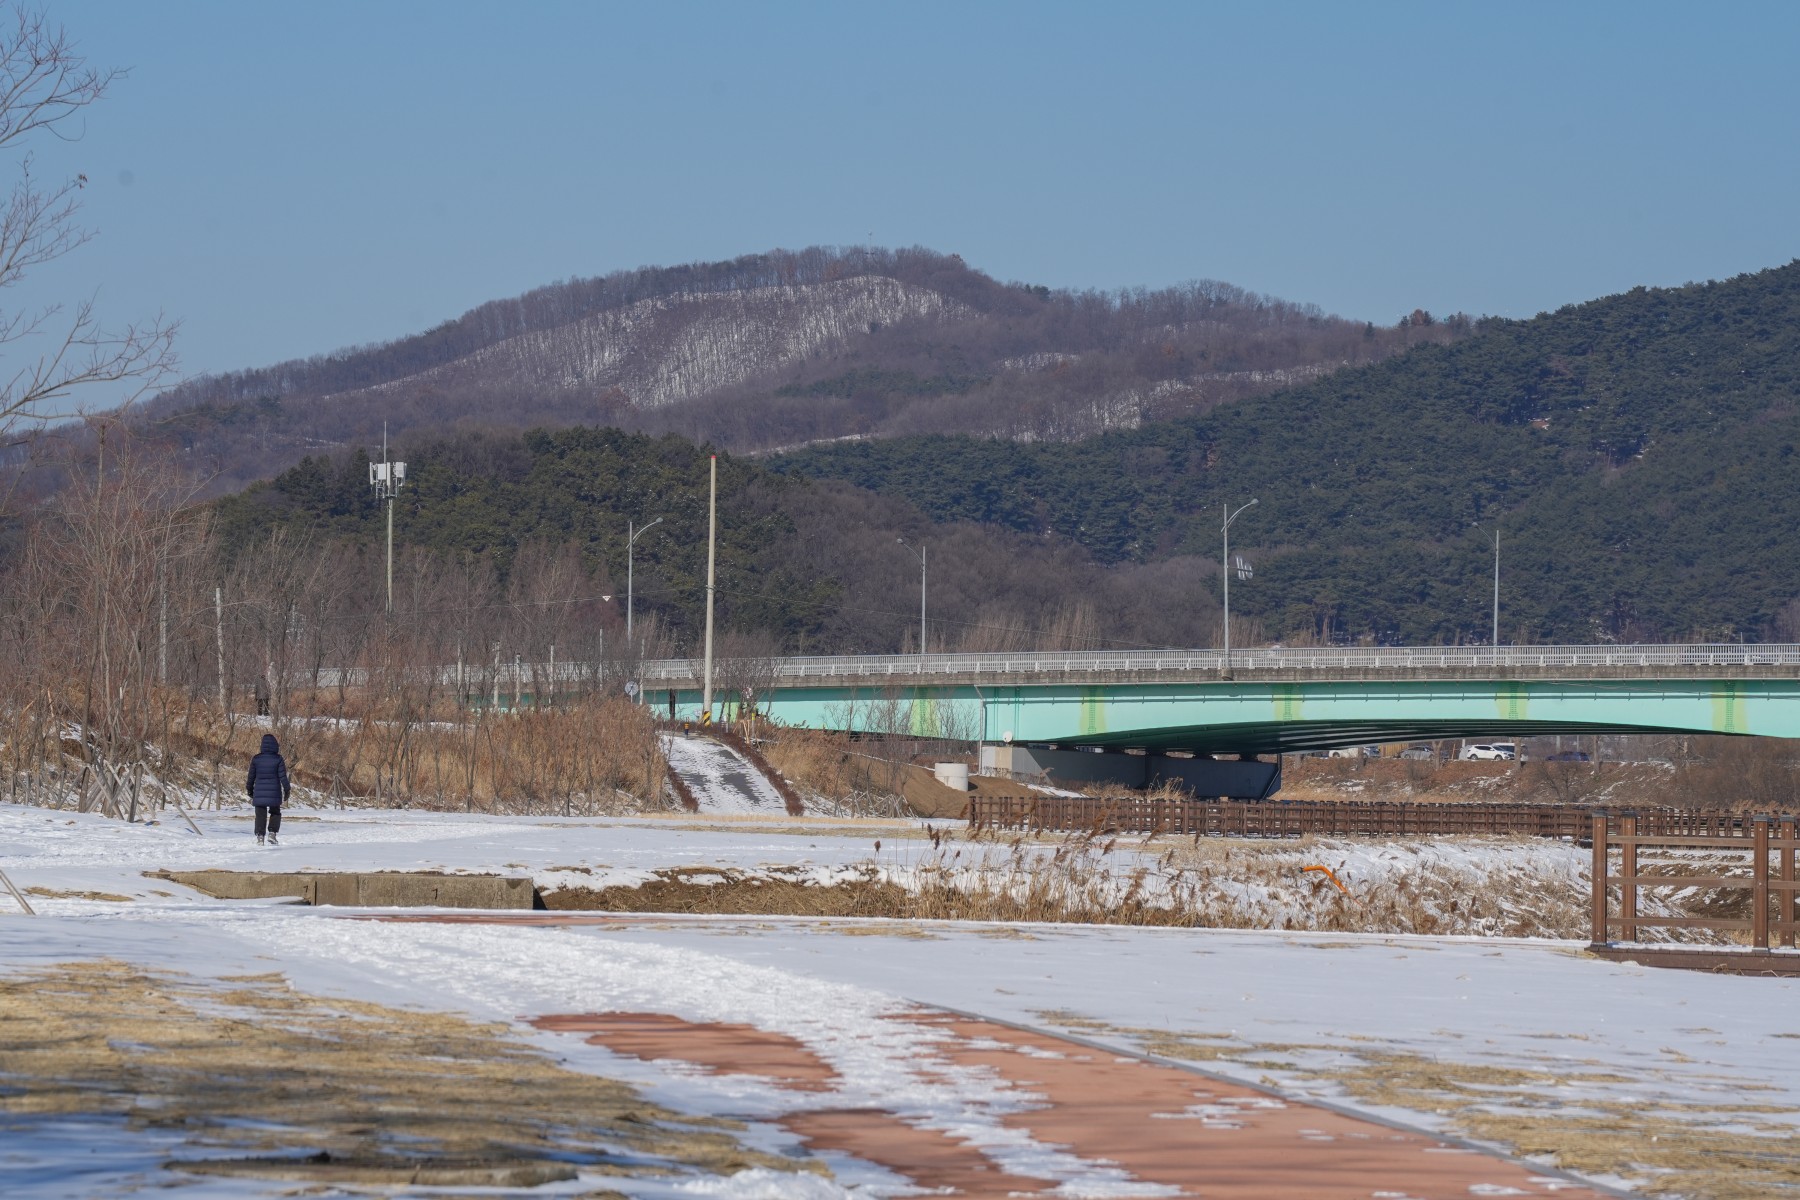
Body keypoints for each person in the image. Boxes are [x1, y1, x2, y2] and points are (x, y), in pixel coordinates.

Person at [245, 733, 291, 845]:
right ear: (275, 745)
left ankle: (260, 837)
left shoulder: (256, 759)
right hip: (274, 791)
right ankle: (272, 833)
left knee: (260, 814)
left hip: (259, 791)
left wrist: (249, 789)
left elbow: (251, 776)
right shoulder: (278, 759)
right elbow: (283, 776)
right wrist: (287, 789)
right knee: (275, 812)